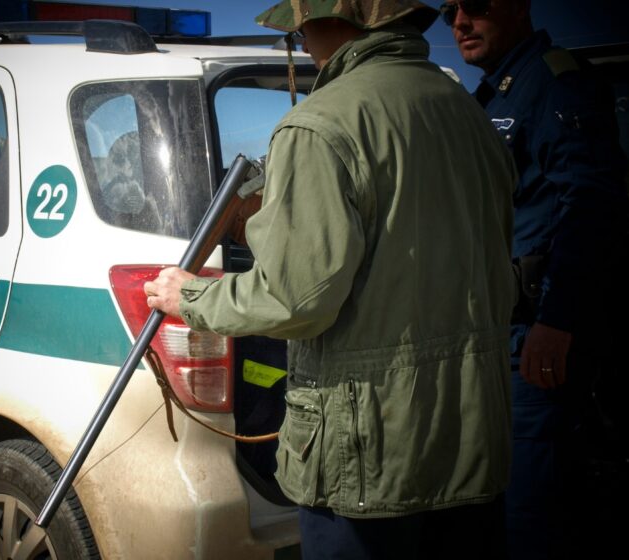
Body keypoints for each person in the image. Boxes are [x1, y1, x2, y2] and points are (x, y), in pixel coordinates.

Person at [145, 1, 518, 558]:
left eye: (300, 26)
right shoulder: (465, 109)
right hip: (471, 443)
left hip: (369, 463)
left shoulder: (319, 123)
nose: (299, 40)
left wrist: (189, 295)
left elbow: (296, 300)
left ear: (330, 21)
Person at [441, 0, 628, 558]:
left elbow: (590, 205)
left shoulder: (556, 83)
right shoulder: (493, 94)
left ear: (516, 7)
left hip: (536, 341)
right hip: (497, 336)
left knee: (532, 519)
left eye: (474, 7)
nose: (459, 23)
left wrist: (558, 321)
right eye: (450, 10)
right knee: (491, 513)